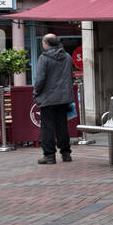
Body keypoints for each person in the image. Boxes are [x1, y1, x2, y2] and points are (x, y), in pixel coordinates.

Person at [34, 33, 75, 164]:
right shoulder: (67, 57)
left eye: (43, 42)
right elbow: (70, 76)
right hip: (63, 98)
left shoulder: (44, 58)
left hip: (48, 98)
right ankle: (66, 153)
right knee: (62, 125)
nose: (42, 45)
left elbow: (40, 79)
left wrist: (36, 92)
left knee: (47, 127)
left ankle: (49, 155)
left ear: (47, 44)